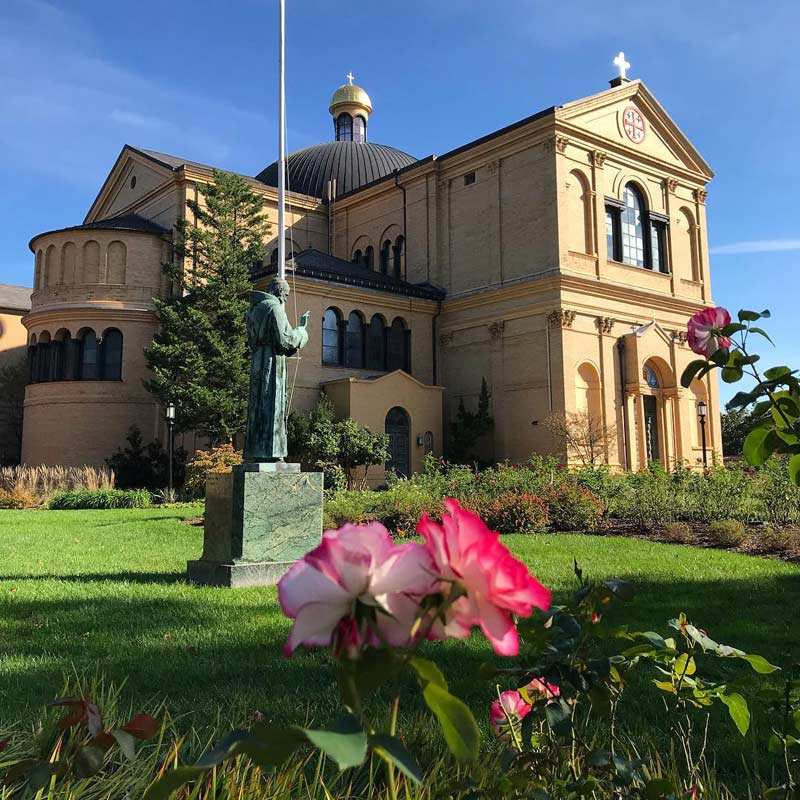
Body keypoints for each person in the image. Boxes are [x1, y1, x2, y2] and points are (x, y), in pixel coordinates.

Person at [243, 277, 309, 462]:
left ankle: (257, 451)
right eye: (286, 295)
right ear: (279, 292)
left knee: (258, 405)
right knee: (273, 404)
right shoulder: (275, 308)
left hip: (257, 361)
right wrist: (302, 331)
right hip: (272, 362)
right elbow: (285, 339)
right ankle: (272, 453)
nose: (286, 299)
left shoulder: (253, 310)